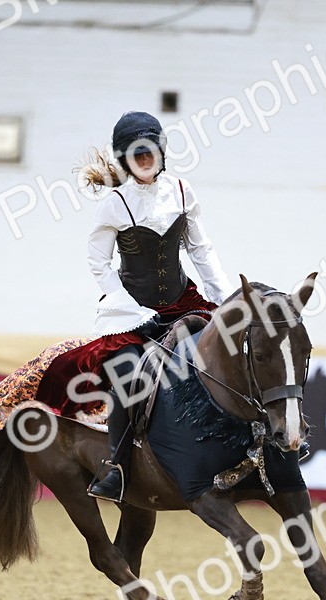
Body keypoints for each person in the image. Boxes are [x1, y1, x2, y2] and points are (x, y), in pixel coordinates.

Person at [38, 111, 234, 502]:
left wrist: (225, 298)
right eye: (136, 154)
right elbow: (99, 263)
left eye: (150, 151)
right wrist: (133, 312)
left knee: (231, 351)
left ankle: (247, 449)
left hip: (184, 300)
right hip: (131, 309)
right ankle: (116, 466)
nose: (145, 159)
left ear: (162, 152)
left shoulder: (182, 191)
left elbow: (200, 248)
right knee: (127, 374)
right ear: (125, 160)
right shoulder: (114, 205)